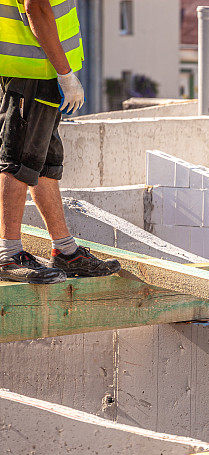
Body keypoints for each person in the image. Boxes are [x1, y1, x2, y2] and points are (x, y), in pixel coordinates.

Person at [0, 0, 120, 283]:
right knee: (18, 160)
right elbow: (37, 8)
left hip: (42, 71)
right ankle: (8, 253)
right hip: (34, 71)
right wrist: (65, 73)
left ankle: (66, 251)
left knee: (44, 165)